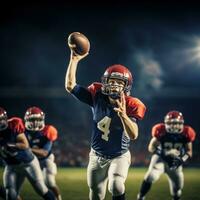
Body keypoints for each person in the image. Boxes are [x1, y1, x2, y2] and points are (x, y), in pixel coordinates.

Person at [65, 47, 146, 200]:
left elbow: (133, 134)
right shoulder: (97, 96)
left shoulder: (131, 104)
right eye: (111, 81)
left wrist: (123, 115)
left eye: (119, 82)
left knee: (116, 185)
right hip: (96, 155)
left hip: (119, 156)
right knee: (96, 194)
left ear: (126, 86)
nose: (114, 85)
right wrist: (74, 60)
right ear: (104, 83)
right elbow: (70, 86)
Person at [137, 110, 196, 200]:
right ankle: (141, 196)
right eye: (171, 123)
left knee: (177, 188)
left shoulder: (187, 132)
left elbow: (189, 152)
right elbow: (151, 147)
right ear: (166, 123)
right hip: (160, 159)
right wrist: (164, 153)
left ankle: (176, 197)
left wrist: (181, 160)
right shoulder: (161, 130)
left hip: (175, 161)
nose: (174, 126)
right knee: (150, 176)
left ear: (181, 123)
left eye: (177, 123)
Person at [0, 107, 56, 200]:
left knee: (41, 189)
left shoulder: (14, 125)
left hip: (28, 163)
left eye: (1, 119)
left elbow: (25, 145)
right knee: (10, 194)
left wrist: (10, 145)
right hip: (11, 166)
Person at [24, 106, 62, 200]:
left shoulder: (48, 130)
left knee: (50, 182)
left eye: (37, 119)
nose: (35, 122)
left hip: (46, 160)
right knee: (40, 183)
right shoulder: (23, 131)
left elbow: (44, 153)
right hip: (33, 160)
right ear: (27, 120)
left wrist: (26, 148)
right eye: (32, 119)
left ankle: (58, 197)